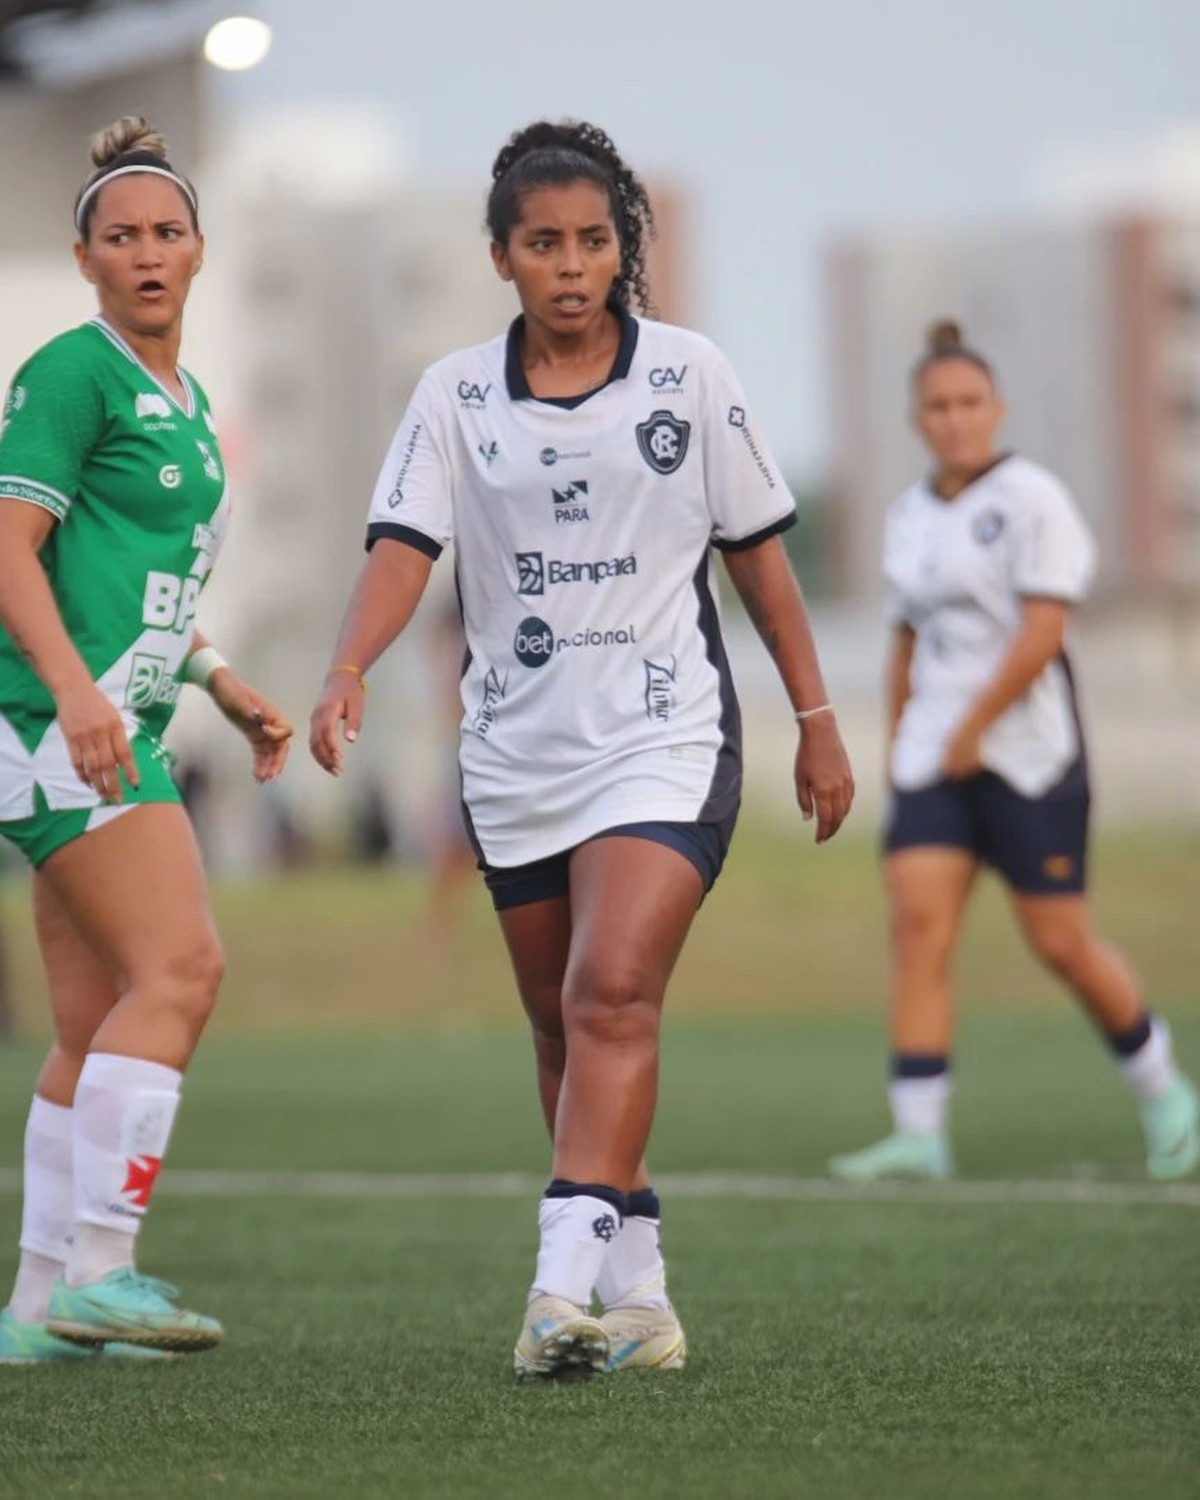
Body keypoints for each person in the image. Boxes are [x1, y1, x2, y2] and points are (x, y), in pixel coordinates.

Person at [310, 118, 854, 1379]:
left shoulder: (691, 375)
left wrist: (817, 720)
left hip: (666, 739)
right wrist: (347, 669)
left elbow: (762, 561)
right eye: (543, 243)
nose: (570, 265)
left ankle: (557, 1296)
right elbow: (401, 549)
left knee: (612, 991)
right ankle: (645, 1303)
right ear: (500, 256)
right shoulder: (452, 395)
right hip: (515, 756)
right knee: (565, 1034)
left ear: (624, 252)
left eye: (593, 242)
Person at [0, 116, 292, 1364]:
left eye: (168, 232)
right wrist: (72, 695)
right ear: (85, 259)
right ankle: (105, 1270)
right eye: (122, 237)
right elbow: (9, 550)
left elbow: (143, 575)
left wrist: (219, 678)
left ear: (201, 249)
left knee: (93, 1022)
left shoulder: (186, 396)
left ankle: (33, 1313)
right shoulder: (74, 372)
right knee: (182, 972)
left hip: (118, 721)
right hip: (62, 726)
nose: (148, 253)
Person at [829, 320, 1198, 1183]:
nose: (954, 419)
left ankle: (1164, 1090)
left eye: (969, 403)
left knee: (1062, 942)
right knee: (918, 929)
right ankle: (920, 1133)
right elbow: (904, 642)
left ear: (995, 408)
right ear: (917, 420)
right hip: (934, 761)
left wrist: (969, 730)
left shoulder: (1034, 499)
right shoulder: (908, 516)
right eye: (937, 407)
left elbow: (1041, 636)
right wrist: (903, 744)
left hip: (1030, 755)